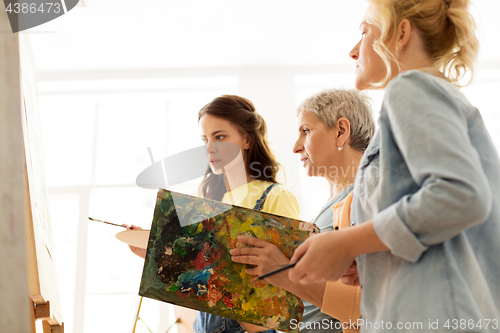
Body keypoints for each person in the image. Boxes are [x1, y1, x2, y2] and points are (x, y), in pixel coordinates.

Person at [288, 1, 500, 332]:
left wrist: (348, 243)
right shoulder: (445, 99)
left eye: (364, 32)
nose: (353, 50)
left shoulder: (410, 87)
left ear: (401, 34)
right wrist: (373, 261)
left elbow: (461, 195)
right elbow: (451, 226)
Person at [230, 88, 375, 333]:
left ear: (341, 131)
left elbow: (368, 306)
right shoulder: (331, 208)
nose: (296, 147)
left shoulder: (367, 198)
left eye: (305, 131)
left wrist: (284, 273)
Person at [194, 94, 301, 333]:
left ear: (247, 139)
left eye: (220, 137)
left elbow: (292, 285)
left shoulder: (275, 196)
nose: (210, 148)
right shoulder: (211, 201)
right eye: (205, 139)